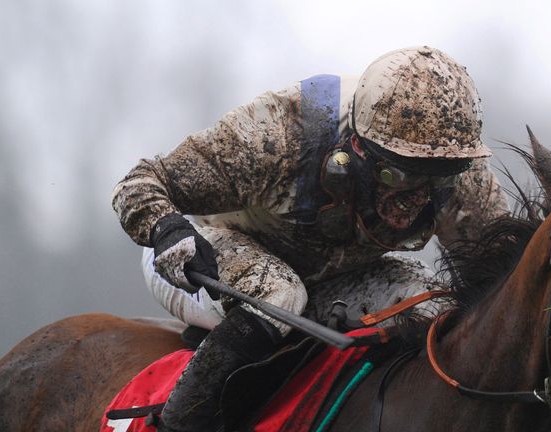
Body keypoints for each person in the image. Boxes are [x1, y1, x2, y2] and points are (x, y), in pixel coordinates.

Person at [112, 46, 509, 432]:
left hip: (332, 278)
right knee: (279, 295)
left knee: (435, 302)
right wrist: (165, 228)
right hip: (204, 253)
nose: (418, 199)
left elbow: (505, 271)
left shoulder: (458, 169)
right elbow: (142, 181)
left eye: (436, 179)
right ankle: (177, 424)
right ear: (356, 146)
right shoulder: (279, 134)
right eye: (398, 176)